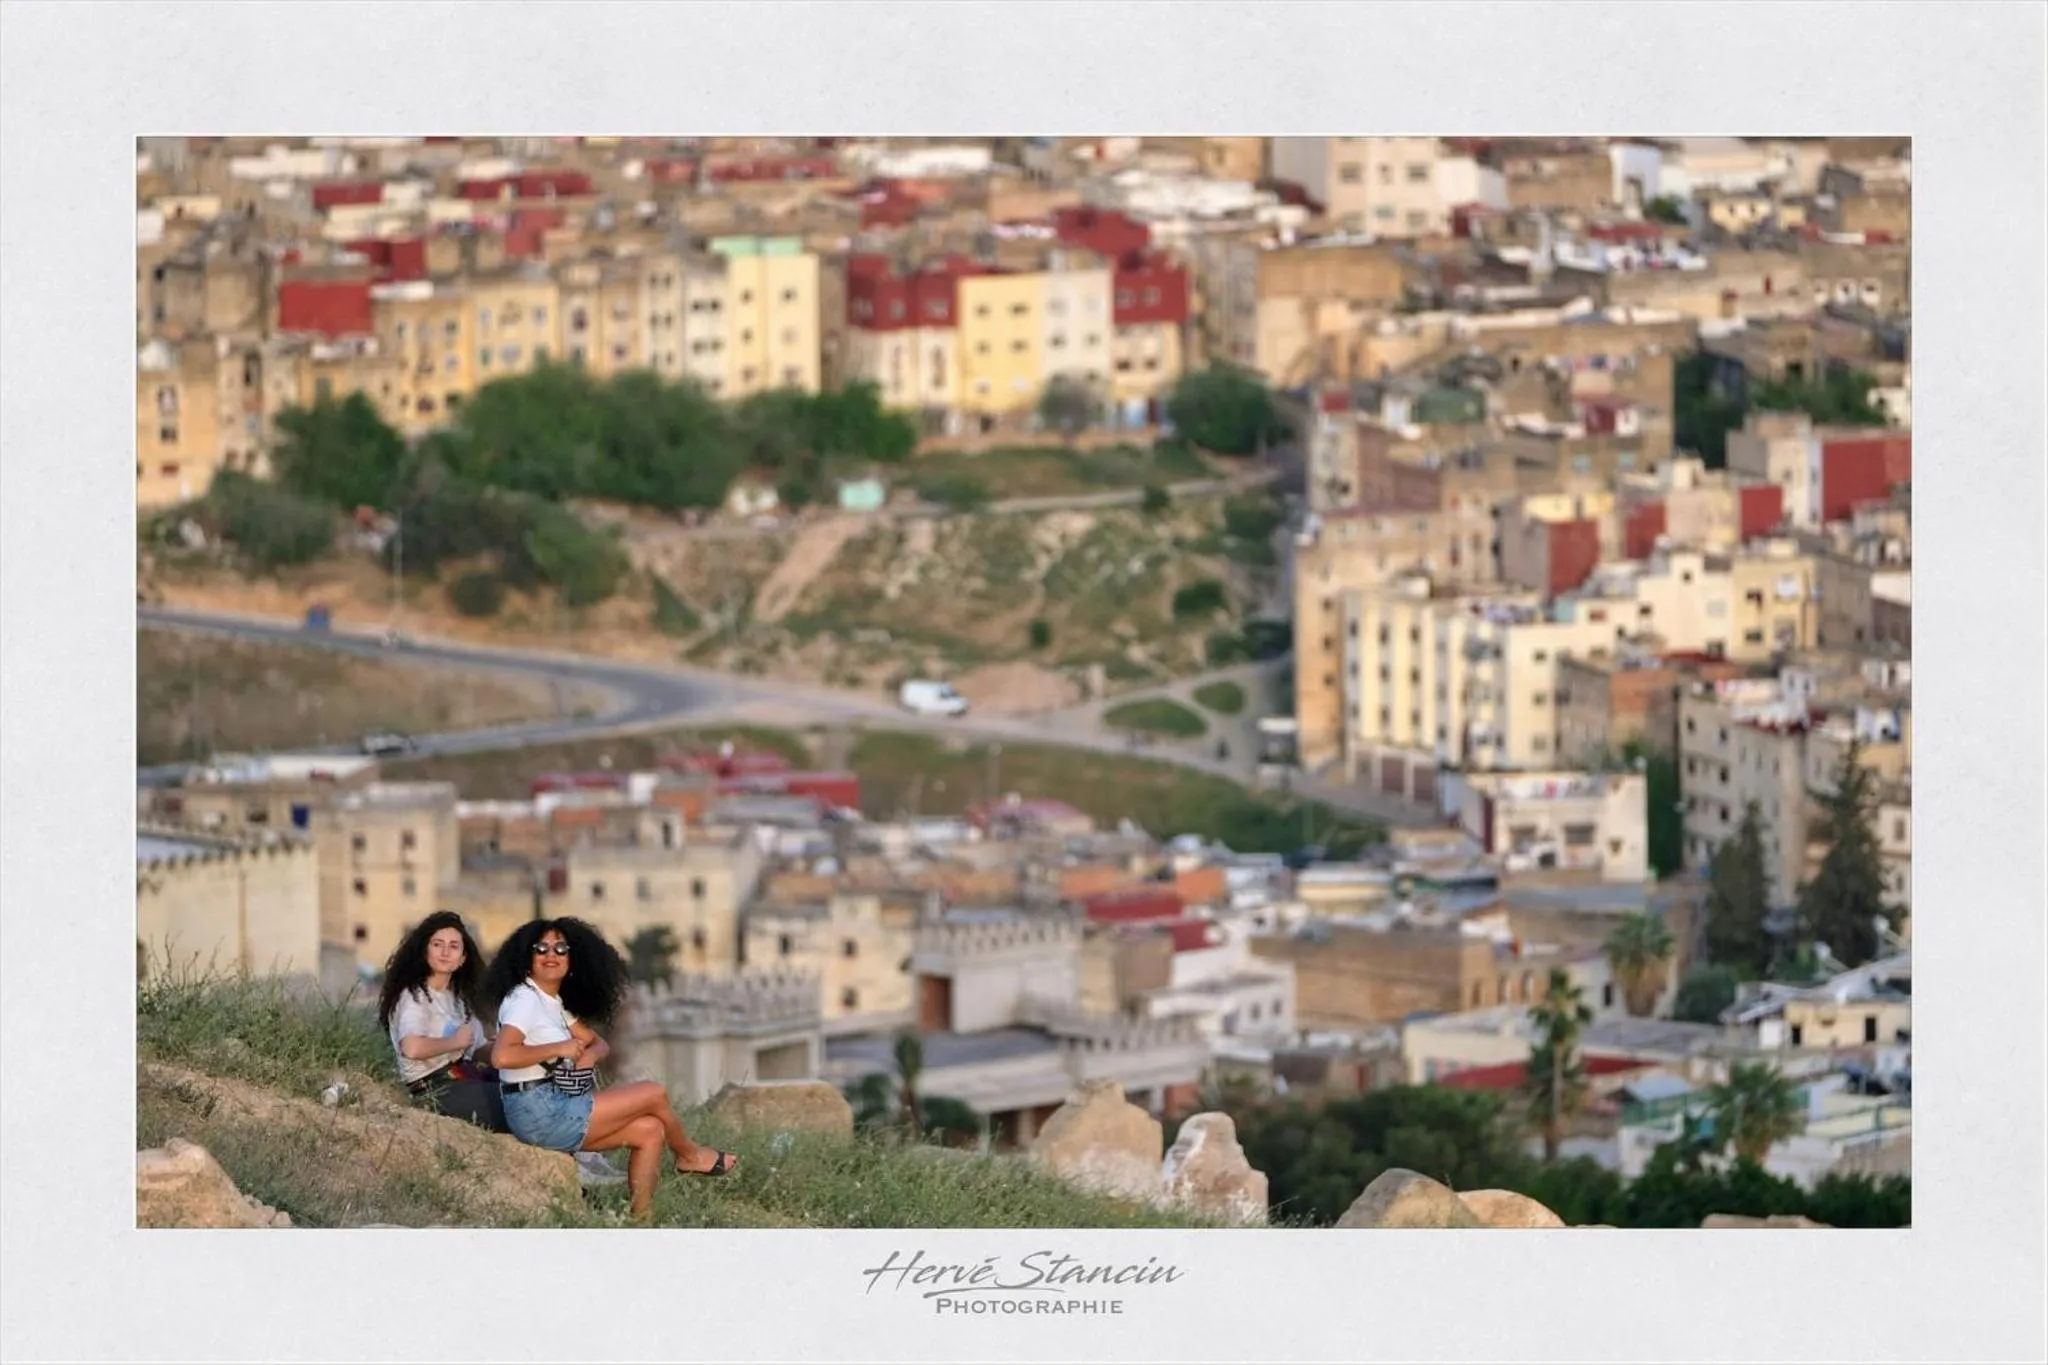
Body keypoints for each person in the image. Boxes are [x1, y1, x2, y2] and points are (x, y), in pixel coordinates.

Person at [484, 917, 737, 1221]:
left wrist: (588, 1056)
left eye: (561, 948)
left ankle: (641, 1221)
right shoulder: (524, 999)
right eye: (541, 948)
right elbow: (502, 1056)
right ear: (526, 958)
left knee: (650, 1130)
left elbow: (599, 1043)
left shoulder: (552, 1003)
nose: (552, 954)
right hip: (537, 1111)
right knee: (653, 1093)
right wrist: (558, 1049)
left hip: (556, 1104)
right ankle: (689, 1155)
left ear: (573, 958)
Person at [377, 912, 623, 1188]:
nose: (445, 952)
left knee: (548, 1086)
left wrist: (520, 1047)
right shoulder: (413, 997)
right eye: (437, 944)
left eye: (454, 946)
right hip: (436, 1088)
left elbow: (479, 1049)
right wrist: (455, 1043)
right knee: (527, 1105)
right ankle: (577, 1168)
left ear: (463, 958)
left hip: (465, 1076)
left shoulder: (458, 1000)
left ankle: (587, 1157)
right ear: (424, 951)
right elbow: (411, 1047)